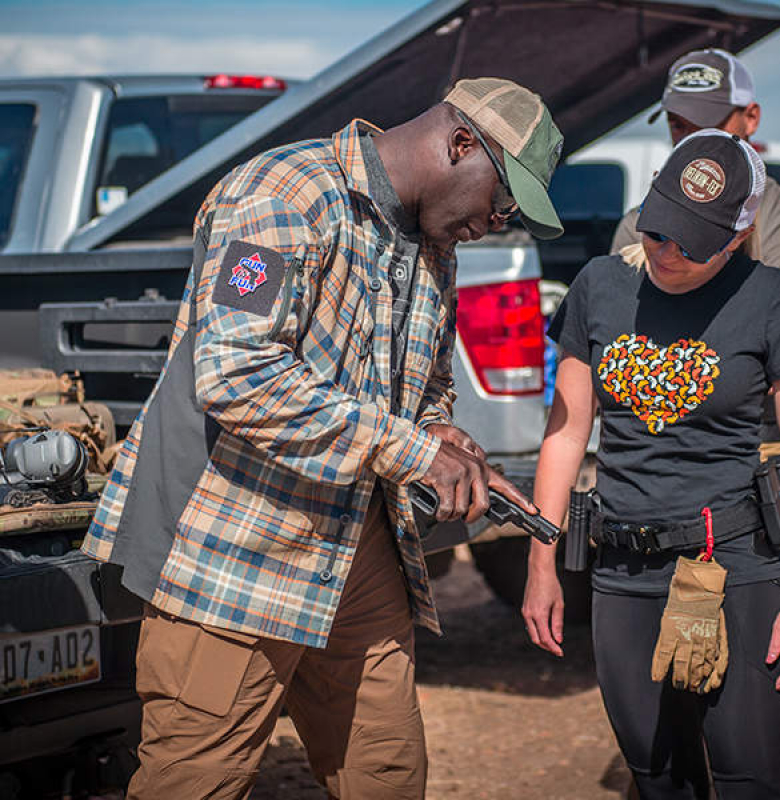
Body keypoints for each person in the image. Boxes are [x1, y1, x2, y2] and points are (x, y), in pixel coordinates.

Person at [80, 77, 563, 800]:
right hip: (233, 552)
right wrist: (410, 450)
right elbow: (237, 374)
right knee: (195, 781)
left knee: (387, 773)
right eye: (503, 199)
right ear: (461, 143)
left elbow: (424, 386)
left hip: (355, 543)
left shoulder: (433, 243)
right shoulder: (284, 193)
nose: (497, 221)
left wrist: (443, 437)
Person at [523, 129, 780, 798]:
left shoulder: (769, 298)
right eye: (660, 230)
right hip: (623, 570)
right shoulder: (599, 286)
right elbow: (567, 431)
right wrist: (540, 560)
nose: (667, 253)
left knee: (749, 773)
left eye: (691, 244)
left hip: (735, 567)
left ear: (737, 234)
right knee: (655, 774)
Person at [611, 48, 780, 268]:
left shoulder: (771, 210)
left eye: (708, 125)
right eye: (677, 125)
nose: (692, 142)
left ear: (751, 118)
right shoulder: (636, 224)